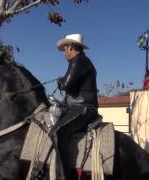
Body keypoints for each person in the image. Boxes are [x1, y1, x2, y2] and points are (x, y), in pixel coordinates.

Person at [51, 33, 99, 178]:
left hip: (83, 109)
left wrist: (60, 81)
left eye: (65, 49)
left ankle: (64, 177)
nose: (64, 53)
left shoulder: (78, 61)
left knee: (57, 132)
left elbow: (65, 85)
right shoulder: (80, 61)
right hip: (78, 107)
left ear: (70, 47)